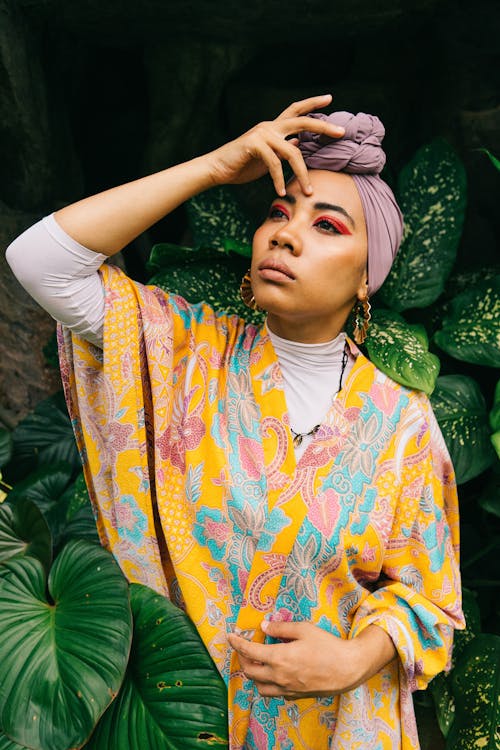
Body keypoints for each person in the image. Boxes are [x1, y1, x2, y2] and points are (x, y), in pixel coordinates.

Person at [6, 94, 464, 750]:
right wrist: (216, 168)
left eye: (328, 226)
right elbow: (40, 261)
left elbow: (430, 598)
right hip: (179, 718)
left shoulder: (403, 426)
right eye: (280, 212)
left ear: (368, 278)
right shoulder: (181, 352)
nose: (286, 233)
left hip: (332, 730)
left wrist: (355, 659)